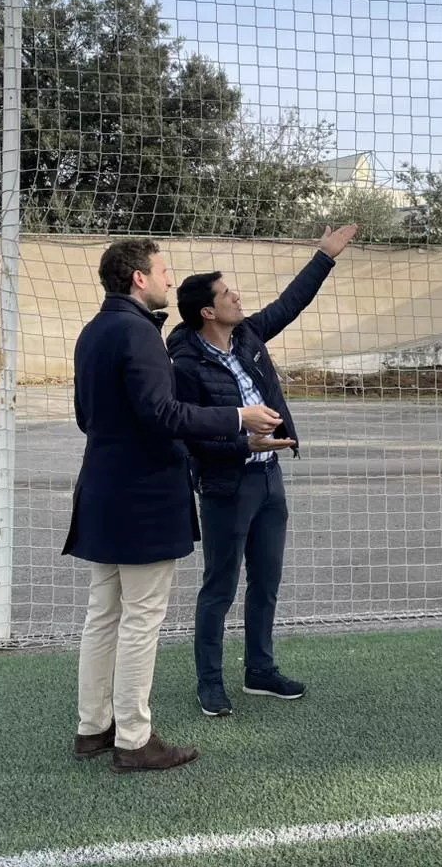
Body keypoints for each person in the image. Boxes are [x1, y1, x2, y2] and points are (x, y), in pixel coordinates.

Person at [63, 237, 285, 773]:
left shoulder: (94, 331)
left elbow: (86, 418)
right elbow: (163, 415)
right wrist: (239, 418)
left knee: (105, 614)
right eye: (163, 271)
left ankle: (93, 728)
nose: (169, 279)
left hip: (102, 489)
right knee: (139, 618)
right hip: (143, 497)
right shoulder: (137, 333)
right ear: (139, 278)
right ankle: (134, 740)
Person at [167, 224, 359, 717]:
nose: (237, 296)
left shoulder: (248, 335)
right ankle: (209, 682)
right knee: (219, 587)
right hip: (226, 484)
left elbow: (289, 304)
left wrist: (324, 256)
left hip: (269, 476)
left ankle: (260, 671)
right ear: (208, 312)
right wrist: (239, 442)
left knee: (266, 581)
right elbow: (188, 431)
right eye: (227, 294)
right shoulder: (186, 363)